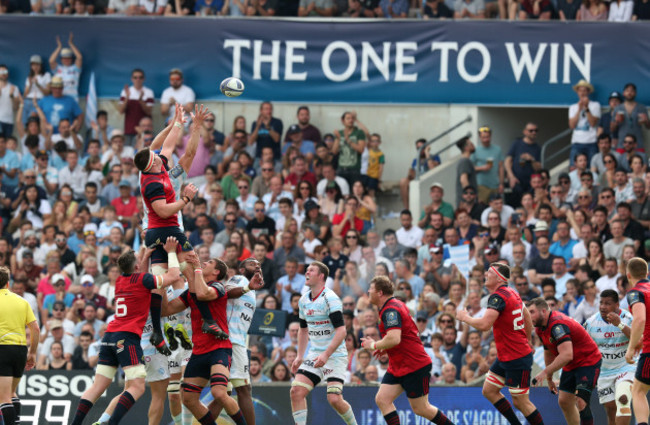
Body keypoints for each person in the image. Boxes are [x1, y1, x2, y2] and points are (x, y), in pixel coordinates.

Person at [69, 239, 182, 425]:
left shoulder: (120, 280)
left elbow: (141, 278)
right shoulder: (143, 279)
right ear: (137, 266)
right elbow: (173, 276)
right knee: (137, 387)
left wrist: (144, 257)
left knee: (97, 387)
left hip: (108, 337)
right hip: (126, 338)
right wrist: (170, 252)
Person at [162, 254, 263, 425]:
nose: (204, 262)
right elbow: (167, 309)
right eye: (253, 263)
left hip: (221, 345)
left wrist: (195, 268)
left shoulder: (220, 286)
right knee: (190, 398)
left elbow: (203, 292)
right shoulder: (196, 290)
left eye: (209, 262)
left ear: (216, 271)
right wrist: (160, 284)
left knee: (223, 393)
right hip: (200, 349)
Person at [361, 275, 455, 425]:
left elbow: (395, 338)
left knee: (421, 408)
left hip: (414, 365)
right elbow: (406, 334)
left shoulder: (390, 310)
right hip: (399, 364)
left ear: (379, 293)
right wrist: (385, 347)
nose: (368, 291)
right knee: (382, 399)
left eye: (371, 289)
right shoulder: (394, 304)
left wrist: (374, 345)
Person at [457, 263, 543, 425]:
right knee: (489, 390)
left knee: (521, 402)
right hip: (506, 356)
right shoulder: (512, 293)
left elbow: (484, 325)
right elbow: (526, 315)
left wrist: (464, 318)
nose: (485, 274)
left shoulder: (498, 297)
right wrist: (528, 341)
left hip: (516, 357)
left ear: (499, 278)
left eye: (489, 272)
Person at [290, 262, 358, 425]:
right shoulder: (304, 300)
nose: (307, 273)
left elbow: (341, 331)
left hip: (334, 355)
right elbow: (303, 329)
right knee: (296, 391)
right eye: (306, 270)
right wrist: (300, 356)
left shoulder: (330, 298)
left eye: (311, 270)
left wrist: (326, 354)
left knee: (334, 399)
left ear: (321, 276)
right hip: (315, 354)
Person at [530, 297, 602, 425]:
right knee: (564, 401)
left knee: (581, 401)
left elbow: (567, 355)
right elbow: (548, 352)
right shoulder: (540, 328)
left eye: (532, 312)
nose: (529, 316)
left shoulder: (557, 325)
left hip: (588, 361)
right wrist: (550, 378)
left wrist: (544, 372)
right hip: (572, 364)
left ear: (543, 311)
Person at [584, 289, 634, 425]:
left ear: (617, 305)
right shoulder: (591, 323)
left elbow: (638, 339)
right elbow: (584, 347)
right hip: (604, 372)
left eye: (608, 303)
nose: (603, 307)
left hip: (626, 367)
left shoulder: (628, 318)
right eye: (601, 303)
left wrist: (619, 324)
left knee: (623, 399)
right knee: (611, 410)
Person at [0, 266, 39, 425]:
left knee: (3, 397)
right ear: (8, 284)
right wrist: (33, 353)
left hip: (2, 348)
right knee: (11, 393)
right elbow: (35, 328)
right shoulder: (22, 301)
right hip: (20, 350)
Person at [624, 257, 650, 425]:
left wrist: (631, 347)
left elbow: (640, 320)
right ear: (647, 273)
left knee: (638, 391)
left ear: (628, 276)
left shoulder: (636, 293)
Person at [568, 80, 601, 166]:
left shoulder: (595, 105)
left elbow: (593, 123)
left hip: (591, 142)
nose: (582, 93)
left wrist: (586, 108)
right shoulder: (573, 107)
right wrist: (579, 109)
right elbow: (572, 125)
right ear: (577, 92)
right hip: (576, 142)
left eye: (584, 90)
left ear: (588, 92)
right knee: (574, 168)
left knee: (592, 168)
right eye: (580, 90)